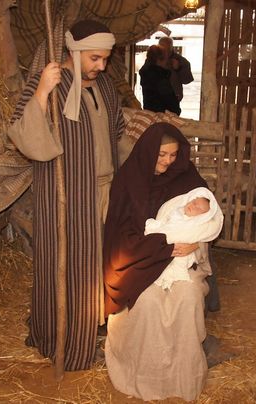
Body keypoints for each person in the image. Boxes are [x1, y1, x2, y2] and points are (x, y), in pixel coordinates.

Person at [7, 20, 124, 371]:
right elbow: (21, 134)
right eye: (94, 58)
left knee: (98, 268)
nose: (101, 66)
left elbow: (116, 132)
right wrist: (42, 91)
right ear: (74, 51)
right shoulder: (51, 81)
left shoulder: (103, 84)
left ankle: (91, 331)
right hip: (67, 193)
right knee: (69, 266)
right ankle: (63, 338)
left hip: (104, 189)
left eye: (105, 58)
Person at [103, 122, 212, 401]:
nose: (167, 161)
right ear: (149, 150)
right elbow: (120, 233)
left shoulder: (186, 178)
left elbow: (209, 216)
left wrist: (196, 242)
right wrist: (163, 246)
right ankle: (145, 374)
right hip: (140, 258)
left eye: (173, 155)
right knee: (148, 302)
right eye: (161, 155)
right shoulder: (129, 180)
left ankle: (180, 374)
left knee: (188, 297)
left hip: (182, 259)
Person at [145, 188, 223, 290]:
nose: (194, 206)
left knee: (188, 291)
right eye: (193, 202)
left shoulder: (197, 224)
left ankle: (173, 275)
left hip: (183, 254)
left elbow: (203, 235)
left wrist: (195, 245)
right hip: (156, 248)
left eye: (198, 209)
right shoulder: (176, 212)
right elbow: (166, 224)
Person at [139, 45, 181, 114]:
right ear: (159, 60)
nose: (168, 61)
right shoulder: (160, 77)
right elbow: (172, 106)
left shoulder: (146, 73)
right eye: (166, 59)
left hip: (150, 114)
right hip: (162, 116)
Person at [159, 36, 194, 112]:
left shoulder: (180, 61)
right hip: (155, 98)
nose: (164, 50)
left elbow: (187, 80)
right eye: (161, 47)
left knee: (171, 120)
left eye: (167, 47)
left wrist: (178, 68)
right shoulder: (153, 60)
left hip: (174, 98)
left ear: (171, 47)